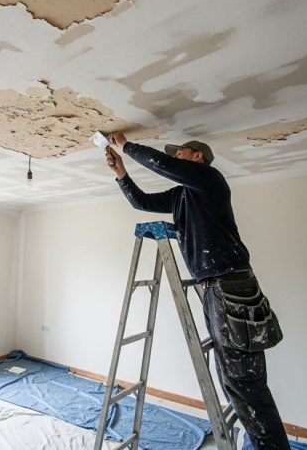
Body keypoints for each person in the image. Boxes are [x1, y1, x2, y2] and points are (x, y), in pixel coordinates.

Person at [104, 133, 290, 450]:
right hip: (217, 287)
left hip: (231, 284)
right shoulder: (181, 196)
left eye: (182, 152)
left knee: (244, 381)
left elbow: (160, 163)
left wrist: (126, 145)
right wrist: (121, 171)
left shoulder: (210, 181)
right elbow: (143, 202)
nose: (175, 156)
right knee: (233, 377)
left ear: (197, 158)